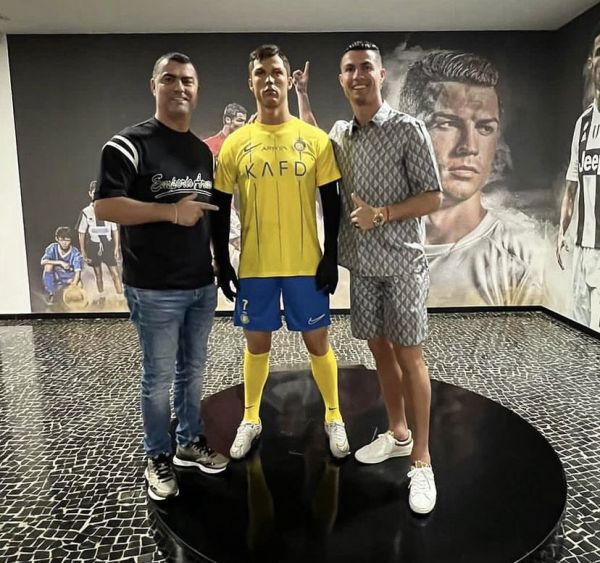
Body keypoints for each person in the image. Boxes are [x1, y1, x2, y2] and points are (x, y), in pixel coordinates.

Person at [94, 52, 229, 501]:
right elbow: (105, 206)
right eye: (169, 79)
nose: (179, 87)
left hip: (200, 285)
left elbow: (207, 214)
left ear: (197, 89)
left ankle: (189, 442)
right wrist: (171, 212)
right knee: (158, 379)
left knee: (193, 372)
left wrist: (218, 262)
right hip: (153, 288)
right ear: (154, 86)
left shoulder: (200, 152)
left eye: (187, 80)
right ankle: (157, 455)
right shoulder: (127, 144)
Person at [211, 44, 350, 461]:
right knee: (256, 345)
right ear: (250, 82)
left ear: (289, 81)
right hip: (256, 266)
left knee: (318, 343)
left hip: (305, 264)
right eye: (261, 73)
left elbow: (332, 202)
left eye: (276, 72)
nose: (269, 80)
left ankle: (334, 416)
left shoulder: (314, 140)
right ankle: (251, 418)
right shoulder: (236, 144)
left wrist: (330, 255)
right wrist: (222, 261)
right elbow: (220, 205)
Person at [328, 40, 443, 515]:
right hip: (363, 264)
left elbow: (433, 196)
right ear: (342, 80)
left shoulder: (408, 129)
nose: (358, 76)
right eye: (349, 69)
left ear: (381, 76)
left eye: (366, 68)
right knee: (378, 349)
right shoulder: (340, 134)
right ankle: (398, 434)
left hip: (403, 263)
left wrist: (383, 214)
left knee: (409, 356)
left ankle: (423, 461)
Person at [396, 50, 544, 306]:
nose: (469, 146)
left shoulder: (521, 257)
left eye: (485, 128)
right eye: (447, 124)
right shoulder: (374, 241)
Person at [557, 23, 600, 331]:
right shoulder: (583, 124)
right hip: (583, 247)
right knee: (581, 328)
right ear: (590, 62)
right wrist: (562, 232)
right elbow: (572, 185)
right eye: (599, 53)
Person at [77, 180, 123, 302]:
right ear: (90, 194)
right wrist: (83, 251)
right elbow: (81, 233)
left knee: (115, 273)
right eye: (94, 192)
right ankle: (102, 296)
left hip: (107, 245)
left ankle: (120, 298)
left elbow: (114, 230)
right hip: (94, 245)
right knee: (98, 274)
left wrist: (116, 247)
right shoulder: (86, 212)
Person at [40, 226, 83, 305]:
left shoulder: (75, 252)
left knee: (79, 285)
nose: (64, 243)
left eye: (67, 240)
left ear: (71, 240)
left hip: (69, 277)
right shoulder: (52, 247)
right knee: (48, 265)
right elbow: (43, 261)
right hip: (56, 276)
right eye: (62, 240)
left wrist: (74, 284)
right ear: (57, 239)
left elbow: (78, 271)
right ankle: (51, 293)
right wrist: (60, 262)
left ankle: (74, 302)